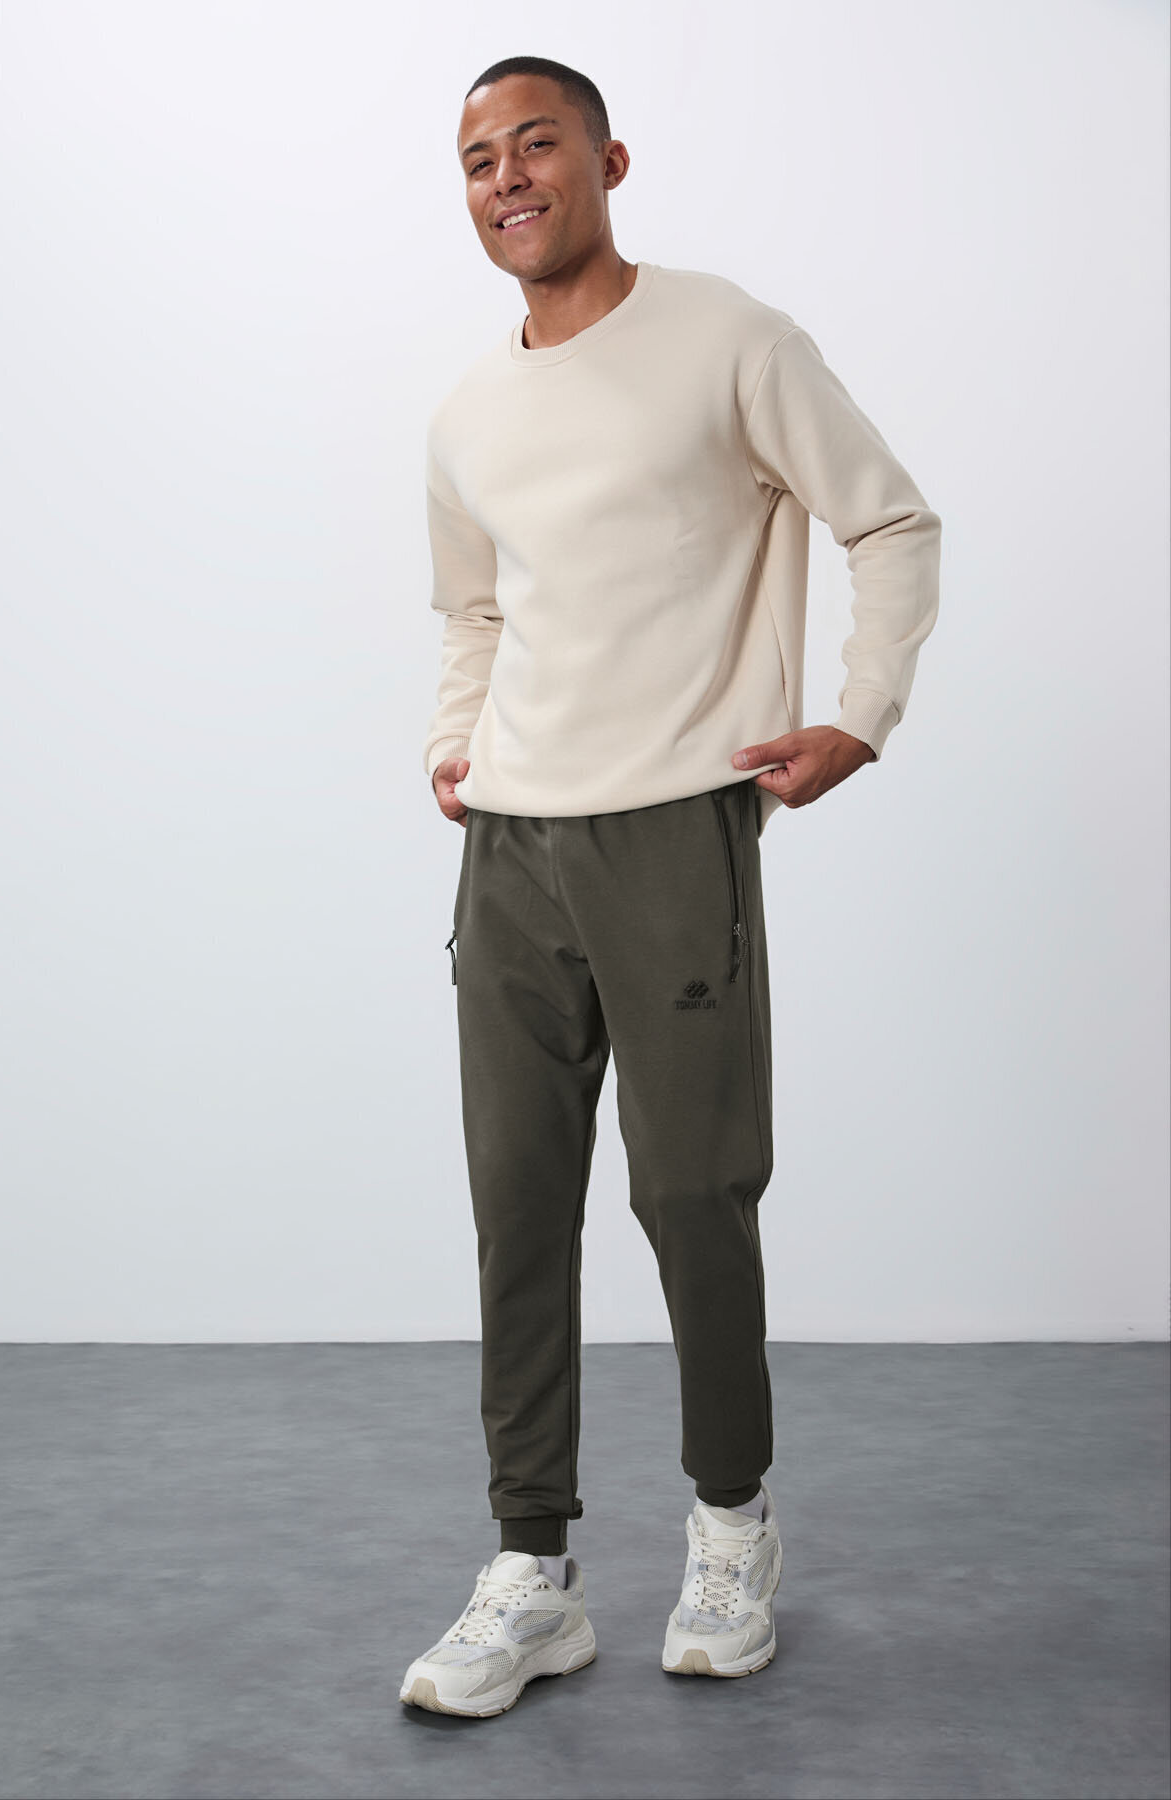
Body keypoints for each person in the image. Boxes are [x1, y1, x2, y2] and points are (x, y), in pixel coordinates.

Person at [400, 55, 941, 1718]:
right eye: (478, 158)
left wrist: (860, 714)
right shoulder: (468, 413)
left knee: (695, 1195)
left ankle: (731, 1527)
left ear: (609, 160)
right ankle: (533, 1572)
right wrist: (456, 741)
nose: (507, 176)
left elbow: (890, 522)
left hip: (672, 831)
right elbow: (473, 609)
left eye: (535, 143)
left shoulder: (728, 341)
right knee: (517, 1206)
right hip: (512, 849)